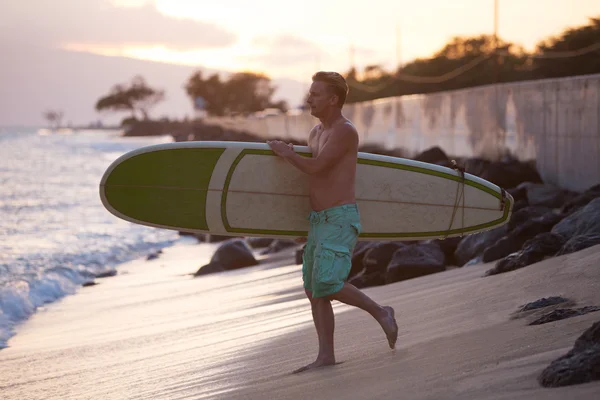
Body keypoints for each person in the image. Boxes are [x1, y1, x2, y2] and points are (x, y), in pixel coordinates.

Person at [267, 71, 398, 374]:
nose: (309, 98)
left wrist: (286, 153)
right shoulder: (315, 133)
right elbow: (308, 184)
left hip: (340, 217)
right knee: (314, 289)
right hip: (318, 220)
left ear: (333, 99)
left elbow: (318, 168)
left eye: (315, 93)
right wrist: (301, 227)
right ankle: (325, 355)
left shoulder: (344, 131)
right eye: (310, 92)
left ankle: (381, 312)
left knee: (327, 282)